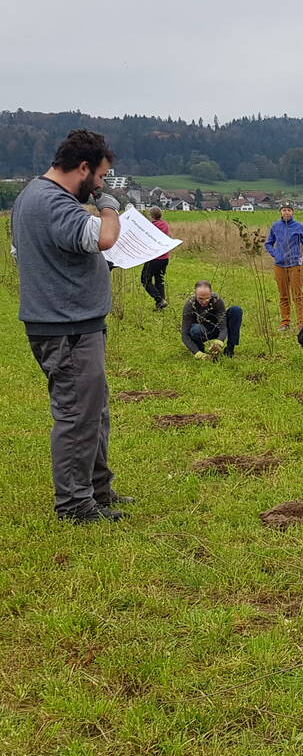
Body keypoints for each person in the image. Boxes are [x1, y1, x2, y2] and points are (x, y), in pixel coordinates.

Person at [11, 128, 130, 523]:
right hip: (67, 328)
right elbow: (105, 238)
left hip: (71, 322)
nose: (99, 187)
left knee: (93, 411)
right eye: (99, 178)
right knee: (78, 416)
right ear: (82, 167)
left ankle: (97, 489)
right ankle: (76, 506)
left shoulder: (31, 197)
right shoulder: (54, 203)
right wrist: (109, 207)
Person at [264, 203, 303, 331]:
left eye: (289, 210)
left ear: (292, 212)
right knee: (283, 295)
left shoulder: (299, 226)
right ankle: (285, 323)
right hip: (280, 265)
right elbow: (268, 243)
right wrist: (276, 254)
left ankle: (301, 323)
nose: (286, 212)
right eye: (284, 210)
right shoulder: (275, 226)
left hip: (295, 264)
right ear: (280, 212)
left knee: (298, 295)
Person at [180, 281, 243, 359]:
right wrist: (197, 353)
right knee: (195, 329)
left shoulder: (217, 301)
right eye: (201, 298)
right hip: (202, 330)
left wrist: (219, 342)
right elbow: (184, 335)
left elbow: (223, 327)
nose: (204, 302)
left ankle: (230, 349)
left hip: (217, 328)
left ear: (211, 294)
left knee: (236, 311)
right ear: (195, 294)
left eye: (207, 298)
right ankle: (200, 348)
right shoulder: (190, 305)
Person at [140, 206, 171, 310]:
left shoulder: (151, 227)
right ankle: (161, 306)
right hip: (164, 258)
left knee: (145, 280)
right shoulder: (165, 225)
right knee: (159, 281)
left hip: (154, 258)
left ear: (151, 216)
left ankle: (159, 299)